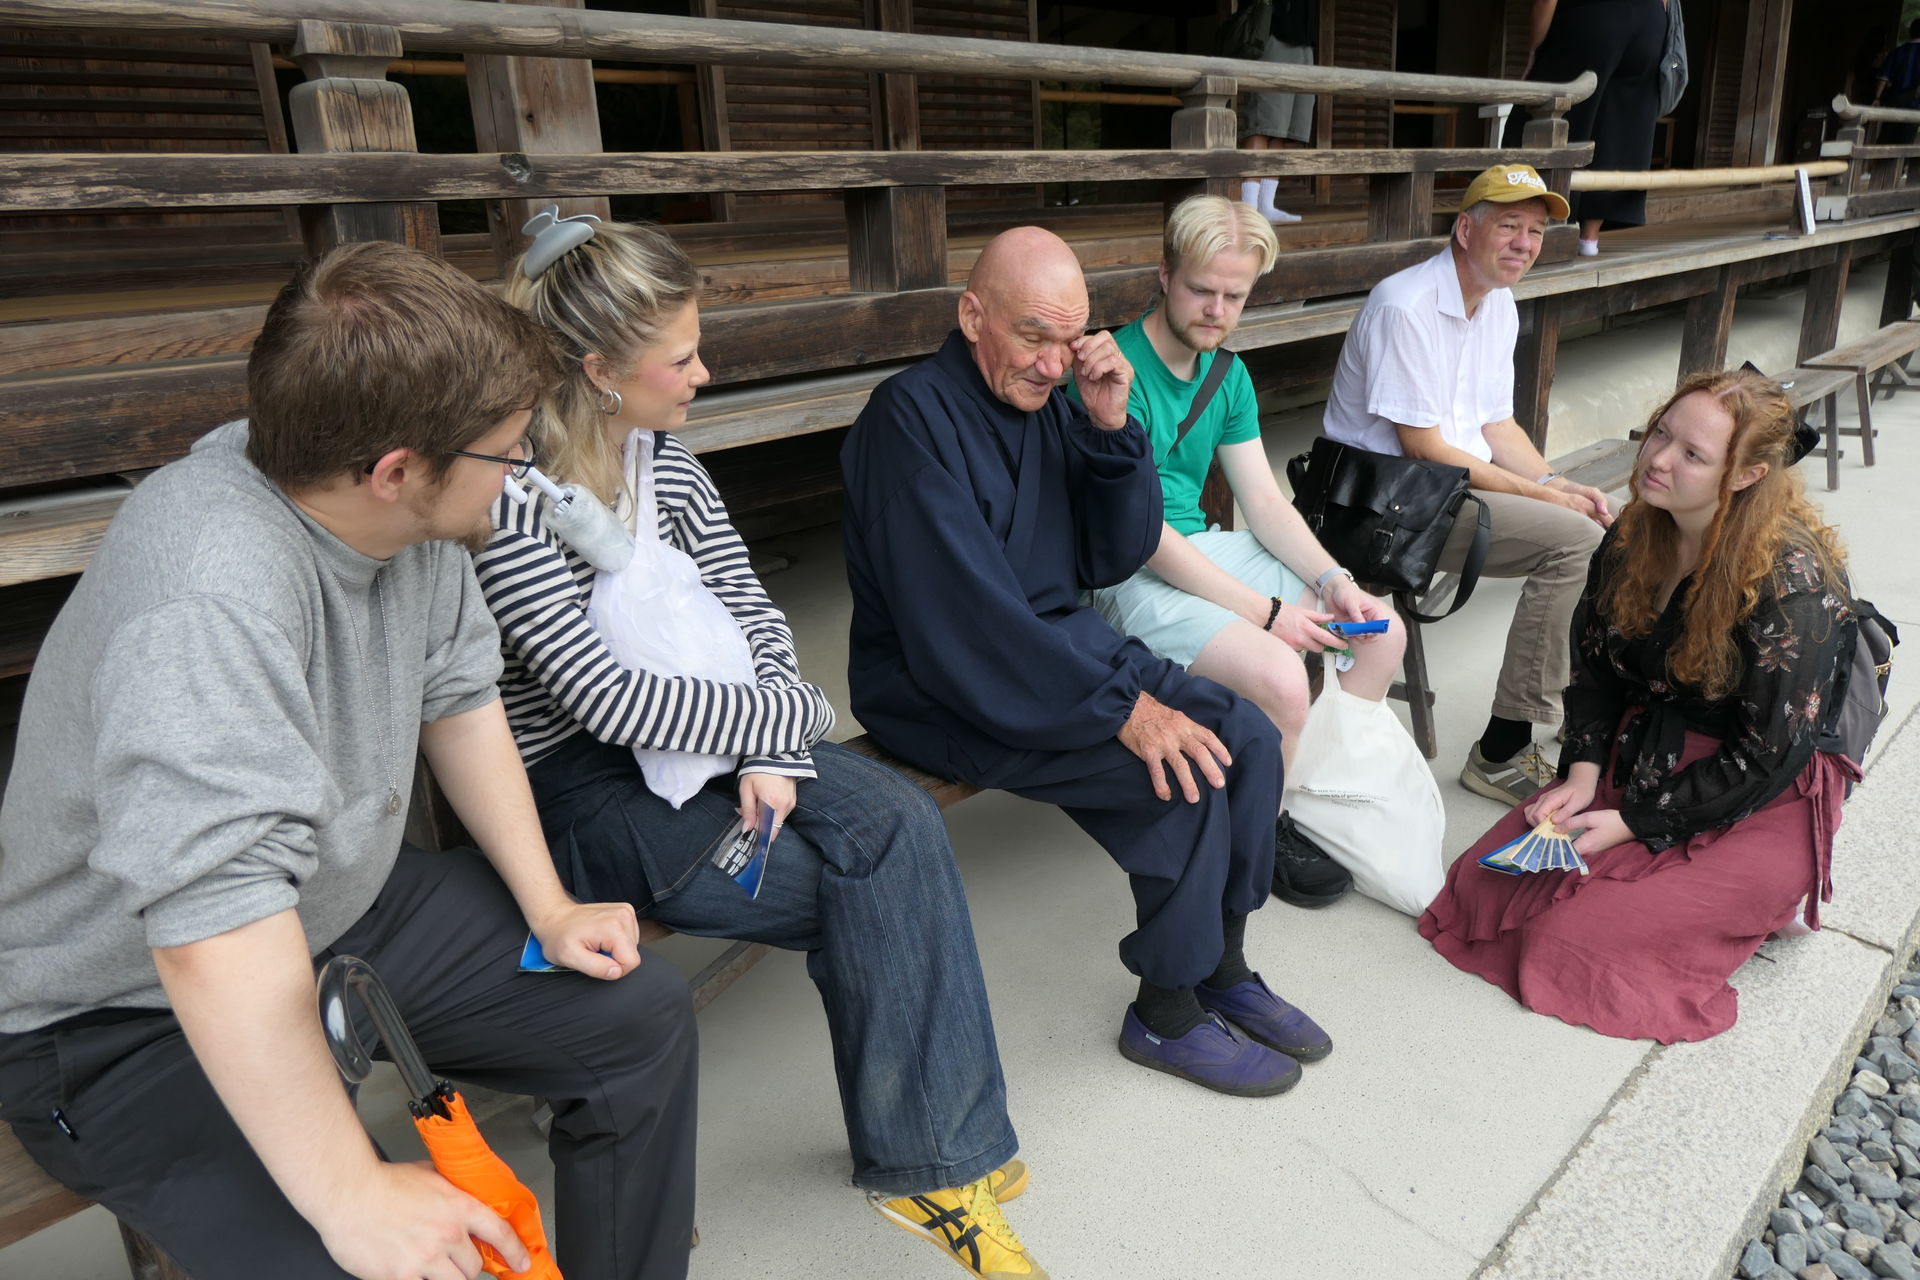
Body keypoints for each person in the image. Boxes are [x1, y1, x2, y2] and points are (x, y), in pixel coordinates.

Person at [0, 241, 697, 1280]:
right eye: (509, 451)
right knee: (373, 1256)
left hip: (341, 906)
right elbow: (208, 932)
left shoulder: (405, 507)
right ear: (395, 471)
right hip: (121, 1008)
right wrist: (351, 1192)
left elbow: (460, 698)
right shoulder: (207, 601)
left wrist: (549, 906)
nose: (526, 470)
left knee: (635, 1020)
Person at [473, 211, 1043, 1280]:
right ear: (599, 371)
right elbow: (606, 702)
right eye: (681, 356)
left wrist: (773, 742)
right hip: (588, 788)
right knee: (865, 888)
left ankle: (931, 1158)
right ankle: (934, 1158)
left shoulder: (666, 466)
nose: (703, 373)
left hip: (728, 734)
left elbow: (753, 611)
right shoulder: (513, 500)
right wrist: (789, 723)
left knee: (899, 823)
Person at [841, 225, 1331, 1101]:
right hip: (943, 679)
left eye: (1068, 340)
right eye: (1032, 336)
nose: (1051, 363)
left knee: (1250, 738)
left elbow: (1114, 554)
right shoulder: (908, 421)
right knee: (1180, 775)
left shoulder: (1058, 402)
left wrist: (1110, 429)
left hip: (1054, 648)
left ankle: (1221, 966)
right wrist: (1123, 708)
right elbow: (964, 620)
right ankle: (1166, 1011)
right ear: (972, 316)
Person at [1420, 369, 1862, 1043]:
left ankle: (1755, 899)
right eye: (1661, 433)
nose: (1658, 459)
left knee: (1572, 941)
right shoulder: (1635, 530)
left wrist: (1631, 823)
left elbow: (1767, 757)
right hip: (1644, 750)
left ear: (1747, 475)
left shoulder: (1791, 584)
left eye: (1693, 455)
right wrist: (1582, 774)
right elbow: (1595, 668)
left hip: (1754, 792)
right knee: (1483, 887)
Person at [1082, 194, 1407, 909]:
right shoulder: (1113, 371)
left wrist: (1333, 578)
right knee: (1283, 678)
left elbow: (1262, 501)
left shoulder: (1227, 376)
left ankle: (1304, 790)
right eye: (1202, 289)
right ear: (1164, 275)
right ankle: (1266, 830)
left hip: (1201, 550)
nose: (1217, 310)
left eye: (1235, 296)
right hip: (1126, 573)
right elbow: (1143, 535)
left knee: (1381, 633)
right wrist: (1267, 613)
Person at [1322, 162, 1613, 805]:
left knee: (1605, 521)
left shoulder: (1498, 302)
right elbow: (1424, 448)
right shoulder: (1405, 305)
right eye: (1508, 226)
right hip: (1387, 505)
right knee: (1576, 542)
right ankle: (1502, 748)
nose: (1524, 243)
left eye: (1535, 231)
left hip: (1444, 490)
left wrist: (1560, 483)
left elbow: (1495, 424)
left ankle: (1590, 714)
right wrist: (1551, 500)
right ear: (1464, 230)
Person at [1504, 0, 1668, 255]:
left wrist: (1535, 49)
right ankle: (1589, 239)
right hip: (1651, 21)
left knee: (1548, 108)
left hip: (1593, 14)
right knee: (1622, 123)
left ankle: (1528, 226)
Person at [1237, 0, 1320, 225]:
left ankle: (1266, 205)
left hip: (1303, 40)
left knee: (1282, 130)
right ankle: (1248, 208)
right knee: (1262, 125)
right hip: (1271, 33)